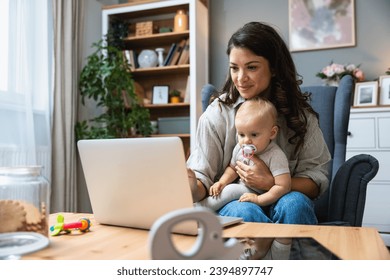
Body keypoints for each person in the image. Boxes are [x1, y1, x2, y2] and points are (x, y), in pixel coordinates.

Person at [186, 22, 331, 259]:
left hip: (283, 197)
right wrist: (189, 184)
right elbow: (202, 181)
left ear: (273, 68)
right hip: (237, 200)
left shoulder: (300, 116)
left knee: (295, 204)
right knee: (244, 209)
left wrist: (271, 183)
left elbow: (316, 180)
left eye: (251, 67)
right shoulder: (216, 115)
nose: (240, 78)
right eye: (234, 68)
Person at [197, 98, 291, 211]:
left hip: (263, 195)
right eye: (241, 134)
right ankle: (199, 209)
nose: (246, 141)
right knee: (227, 189)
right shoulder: (239, 148)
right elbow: (232, 168)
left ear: (272, 133)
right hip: (244, 191)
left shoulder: (275, 155)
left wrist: (259, 199)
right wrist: (221, 182)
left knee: (230, 190)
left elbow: (283, 186)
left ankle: (199, 210)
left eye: (254, 135)